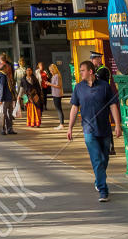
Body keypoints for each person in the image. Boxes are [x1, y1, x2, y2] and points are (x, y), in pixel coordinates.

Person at [67, 59, 123, 202]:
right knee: (97, 159)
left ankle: (98, 180)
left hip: (104, 129)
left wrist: (117, 125)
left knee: (104, 158)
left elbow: (113, 106)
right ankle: (103, 190)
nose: (80, 73)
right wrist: (70, 127)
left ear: (90, 71)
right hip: (89, 130)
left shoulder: (104, 86)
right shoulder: (78, 88)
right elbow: (74, 108)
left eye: (82, 70)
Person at [49, 62, 65, 127]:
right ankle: (61, 123)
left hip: (57, 94)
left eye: (50, 70)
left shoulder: (57, 76)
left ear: (53, 70)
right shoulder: (54, 76)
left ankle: (61, 124)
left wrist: (49, 84)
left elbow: (58, 86)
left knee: (59, 109)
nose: (50, 72)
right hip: (55, 93)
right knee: (58, 108)